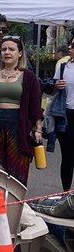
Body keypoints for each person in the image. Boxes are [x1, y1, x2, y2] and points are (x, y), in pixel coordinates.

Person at [0, 34, 43, 186]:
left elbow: (35, 105)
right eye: (4, 49)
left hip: (18, 123)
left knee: (17, 167)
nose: (7, 52)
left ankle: (15, 204)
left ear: (20, 53)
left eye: (11, 49)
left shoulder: (28, 76)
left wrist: (38, 129)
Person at [52, 38, 74, 190]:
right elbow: (52, 88)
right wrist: (55, 85)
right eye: (71, 44)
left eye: (73, 45)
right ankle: (66, 193)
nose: (70, 47)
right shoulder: (63, 67)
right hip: (66, 114)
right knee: (67, 156)